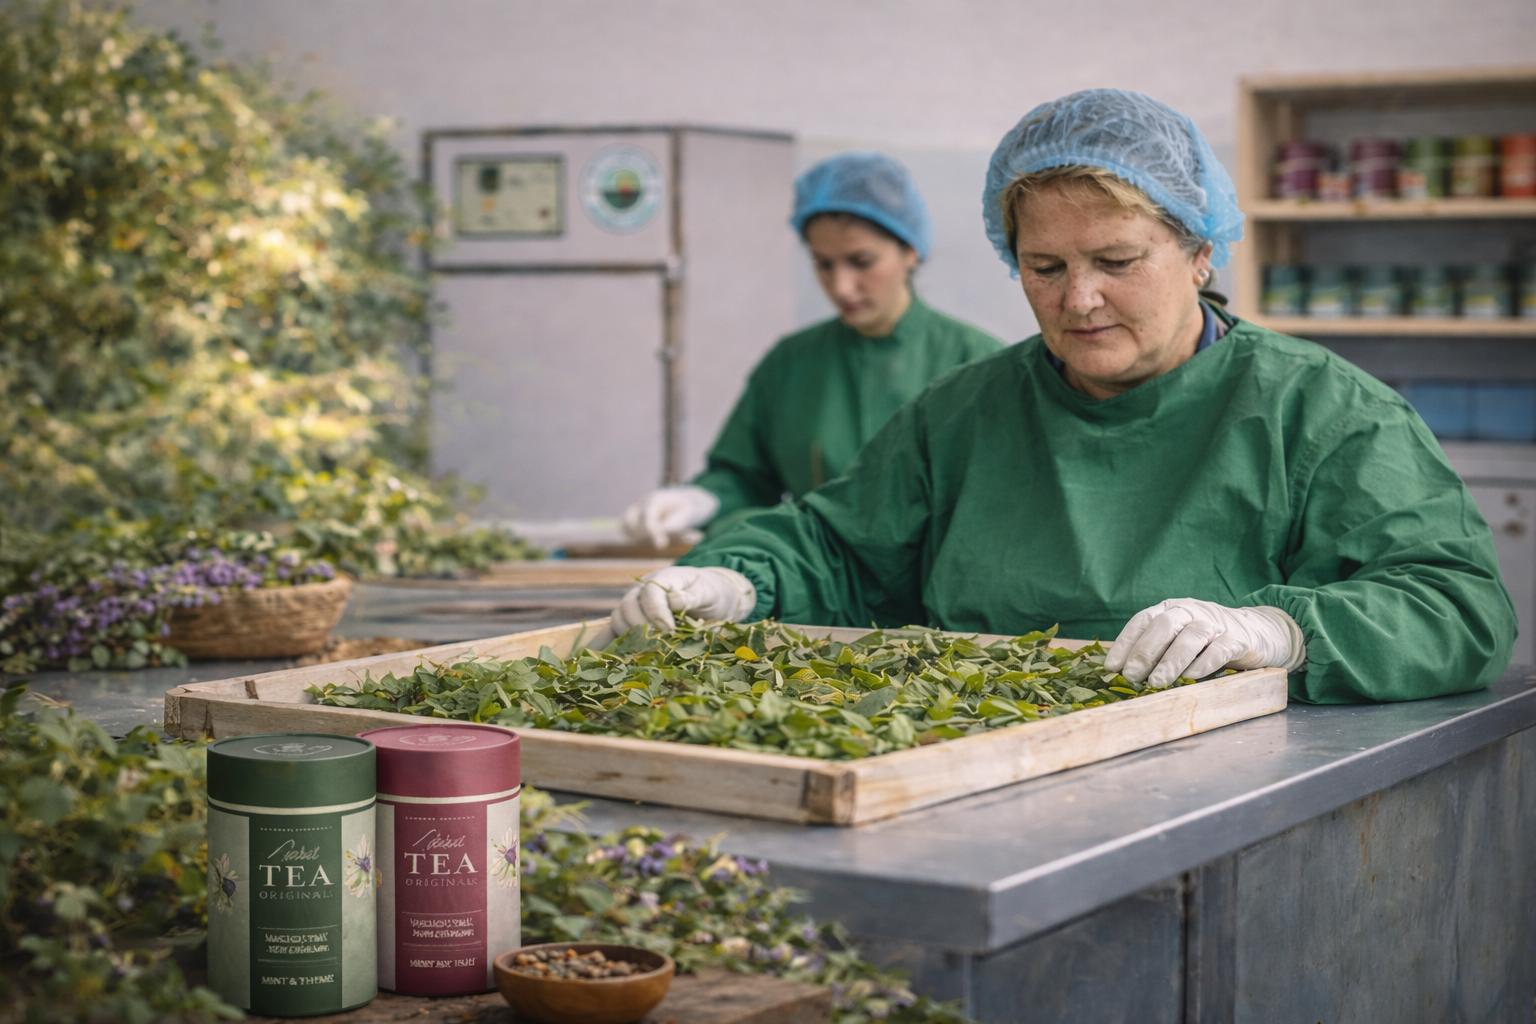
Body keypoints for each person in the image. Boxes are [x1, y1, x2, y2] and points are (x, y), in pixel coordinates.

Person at [610, 89, 1515, 703]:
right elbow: (838, 550)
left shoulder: (1321, 414)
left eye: (1117, 262)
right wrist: (738, 580)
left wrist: (1280, 629)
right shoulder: (962, 414)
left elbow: (1460, 608)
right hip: (980, 767)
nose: (1078, 300)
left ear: (1202, 254)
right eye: (1044, 267)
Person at [621, 152, 1003, 548]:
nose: (841, 287)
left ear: (910, 251)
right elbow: (745, 476)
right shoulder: (791, 364)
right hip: (818, 592)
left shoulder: (978, 363)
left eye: (861, 261)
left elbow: (1008, 501)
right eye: (823, 264)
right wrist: (698, 500)